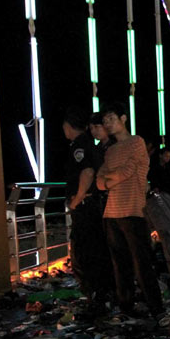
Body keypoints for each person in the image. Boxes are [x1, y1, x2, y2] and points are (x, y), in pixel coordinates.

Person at [95, 101, 164, 316]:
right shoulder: (110, 150)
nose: (108, 124)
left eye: (111, 119)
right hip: (111, 213)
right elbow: (99, 181)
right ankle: (126, 306)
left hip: (133, 210)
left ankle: (156, 308)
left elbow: (127, 171)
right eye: (105, 121)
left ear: (123, 118)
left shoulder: (136, 142)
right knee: (119, 264)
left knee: (141, 263)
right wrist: (109, 180)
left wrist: (109, 180)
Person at [62, 106, 113, 306]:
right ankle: (101, 292)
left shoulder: (79, 146)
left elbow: (87, 172)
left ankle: (95, 294)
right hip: (92, 205)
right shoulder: (92, 145)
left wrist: (76, 200)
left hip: (85, 206)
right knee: (95, 249)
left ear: (68, 126)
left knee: (84, 251)